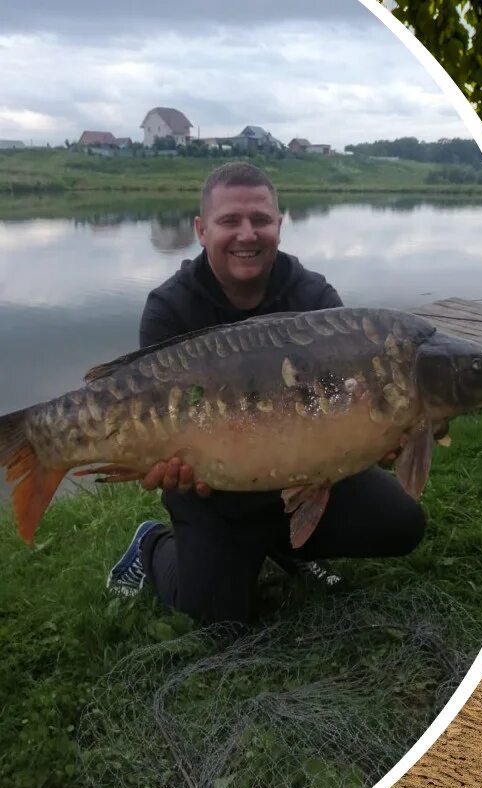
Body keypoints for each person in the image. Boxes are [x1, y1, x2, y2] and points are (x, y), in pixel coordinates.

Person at [101, 161, 426, 625]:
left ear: (279, 225)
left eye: (260, 220)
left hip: (310, 473)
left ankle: (288, 543)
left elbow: (349, 405)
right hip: (216, 492)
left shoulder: (315, 300)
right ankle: (152, 544)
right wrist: (162, 461)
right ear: (200, 229)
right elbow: (157, 418)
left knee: (403, 525)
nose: (247, 234)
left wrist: (380, 434)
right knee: (219, 619)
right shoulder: (170, 308)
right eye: (229, 221)